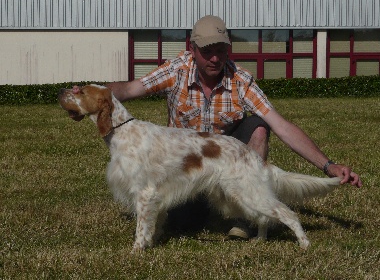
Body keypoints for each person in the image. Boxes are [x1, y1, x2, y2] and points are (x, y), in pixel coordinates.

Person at [107, 15, 362, 239]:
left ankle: (246, 215)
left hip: (230, 161)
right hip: (187, 167)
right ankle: (212, 205)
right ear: (192, 49)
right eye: (207, 51)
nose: (215, 58)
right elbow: (128, 89)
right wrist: (91, 93)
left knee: (259, 126)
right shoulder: (176, 70)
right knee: (183, 224)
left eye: (221, 50)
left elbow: (282, 127)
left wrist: (328, 166)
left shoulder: (241, 80)